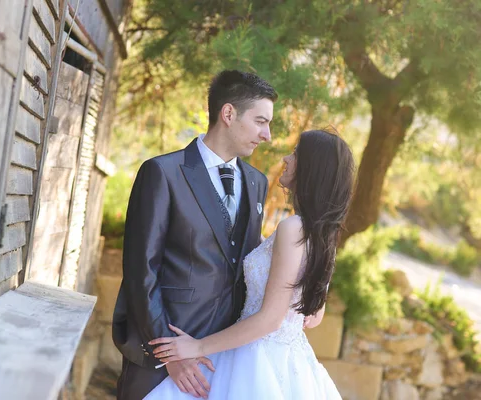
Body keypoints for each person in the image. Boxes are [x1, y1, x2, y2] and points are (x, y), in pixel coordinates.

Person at [146, 129, 355, 399]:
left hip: (256, 359)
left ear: (311, 169)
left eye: (295, 154)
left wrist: (197, 348)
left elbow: (269, 320)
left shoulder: (293, 228)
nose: (286, 158)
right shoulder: (323, 235)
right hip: (291, 358)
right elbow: (313, 317)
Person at [112, 70, 278, 400]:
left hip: (227, 358)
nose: (267, 135)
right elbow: (141, 271)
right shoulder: (163, 173)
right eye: (261, 121)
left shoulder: (258, 183)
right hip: (163, 351)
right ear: (228, 114)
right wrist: (169, 355)